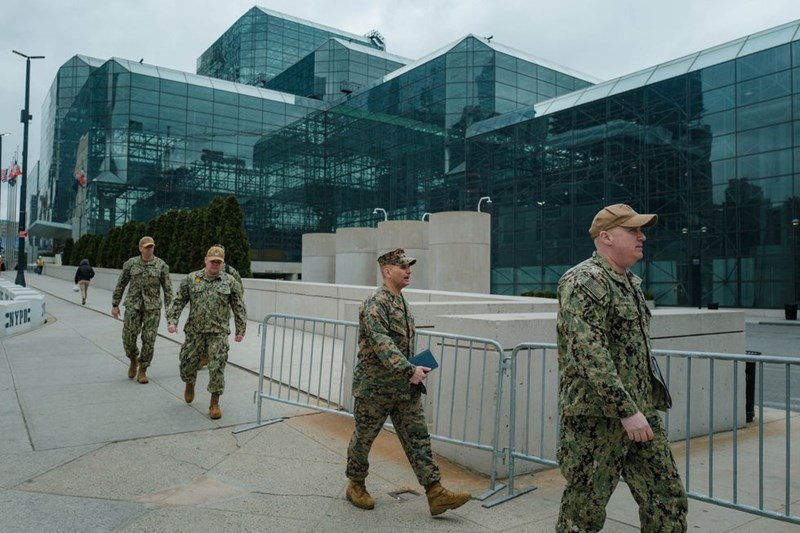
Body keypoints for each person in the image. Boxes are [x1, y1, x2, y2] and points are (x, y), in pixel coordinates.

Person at [555, 204, 688, 532]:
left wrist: (639, 407)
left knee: (666, 496)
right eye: (633, 230)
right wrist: (626, 410)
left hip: (641, 410)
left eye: (641, 230)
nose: (642, 236)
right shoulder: (584, 279)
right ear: (606, 237)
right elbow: (589, 352)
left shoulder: (628, 281)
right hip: (597, 418)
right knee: (584, 510)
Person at [345, 248, 471, 516]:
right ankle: (355, 485)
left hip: (404, 388)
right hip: (375, 388)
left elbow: (400, 344)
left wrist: (413, 368)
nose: (409, 270)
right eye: (403, 267)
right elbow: (382, 342)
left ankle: (435, 492)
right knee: (364, 438)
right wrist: (408, 369)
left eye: (409, 266)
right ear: (387, 271)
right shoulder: (374, 303)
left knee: (418, 438)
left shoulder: (401, 302)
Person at [167, 245, 246, 420]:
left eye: (219, 262)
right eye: (212, 262)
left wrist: (241, 329)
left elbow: (239, 307)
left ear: (223, 263)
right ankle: (190, 381)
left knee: (217, 366)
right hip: (194, 332)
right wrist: (172, 320)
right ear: (205, 260)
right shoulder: (191, 279)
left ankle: (214, 403)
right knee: (186, 365)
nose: (215, 265)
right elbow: (179, 301)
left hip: (218, 333)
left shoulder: (230, 282)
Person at [111, 236, 173, 384]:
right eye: (146, 247)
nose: (149, 249)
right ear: (140, 248)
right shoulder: (131, 264)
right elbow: (121, 284)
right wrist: (115, 304)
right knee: (128, 338)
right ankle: (133, 359)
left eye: (151, 246)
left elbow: (168, 290)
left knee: (149, 339)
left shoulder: (161, 265)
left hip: (152, 308)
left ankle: (143, 369)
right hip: (133, 306)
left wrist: (171, 311)